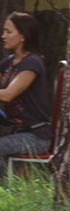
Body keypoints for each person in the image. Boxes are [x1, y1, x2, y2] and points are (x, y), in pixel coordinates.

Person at [0, 11, 53, 160]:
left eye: (8, 32)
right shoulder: (8, 63)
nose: (3, 36)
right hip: (17, 133)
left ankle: (3, 183)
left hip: (35, 137)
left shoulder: (32, 62)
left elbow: (8, 95)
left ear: (23, 36)